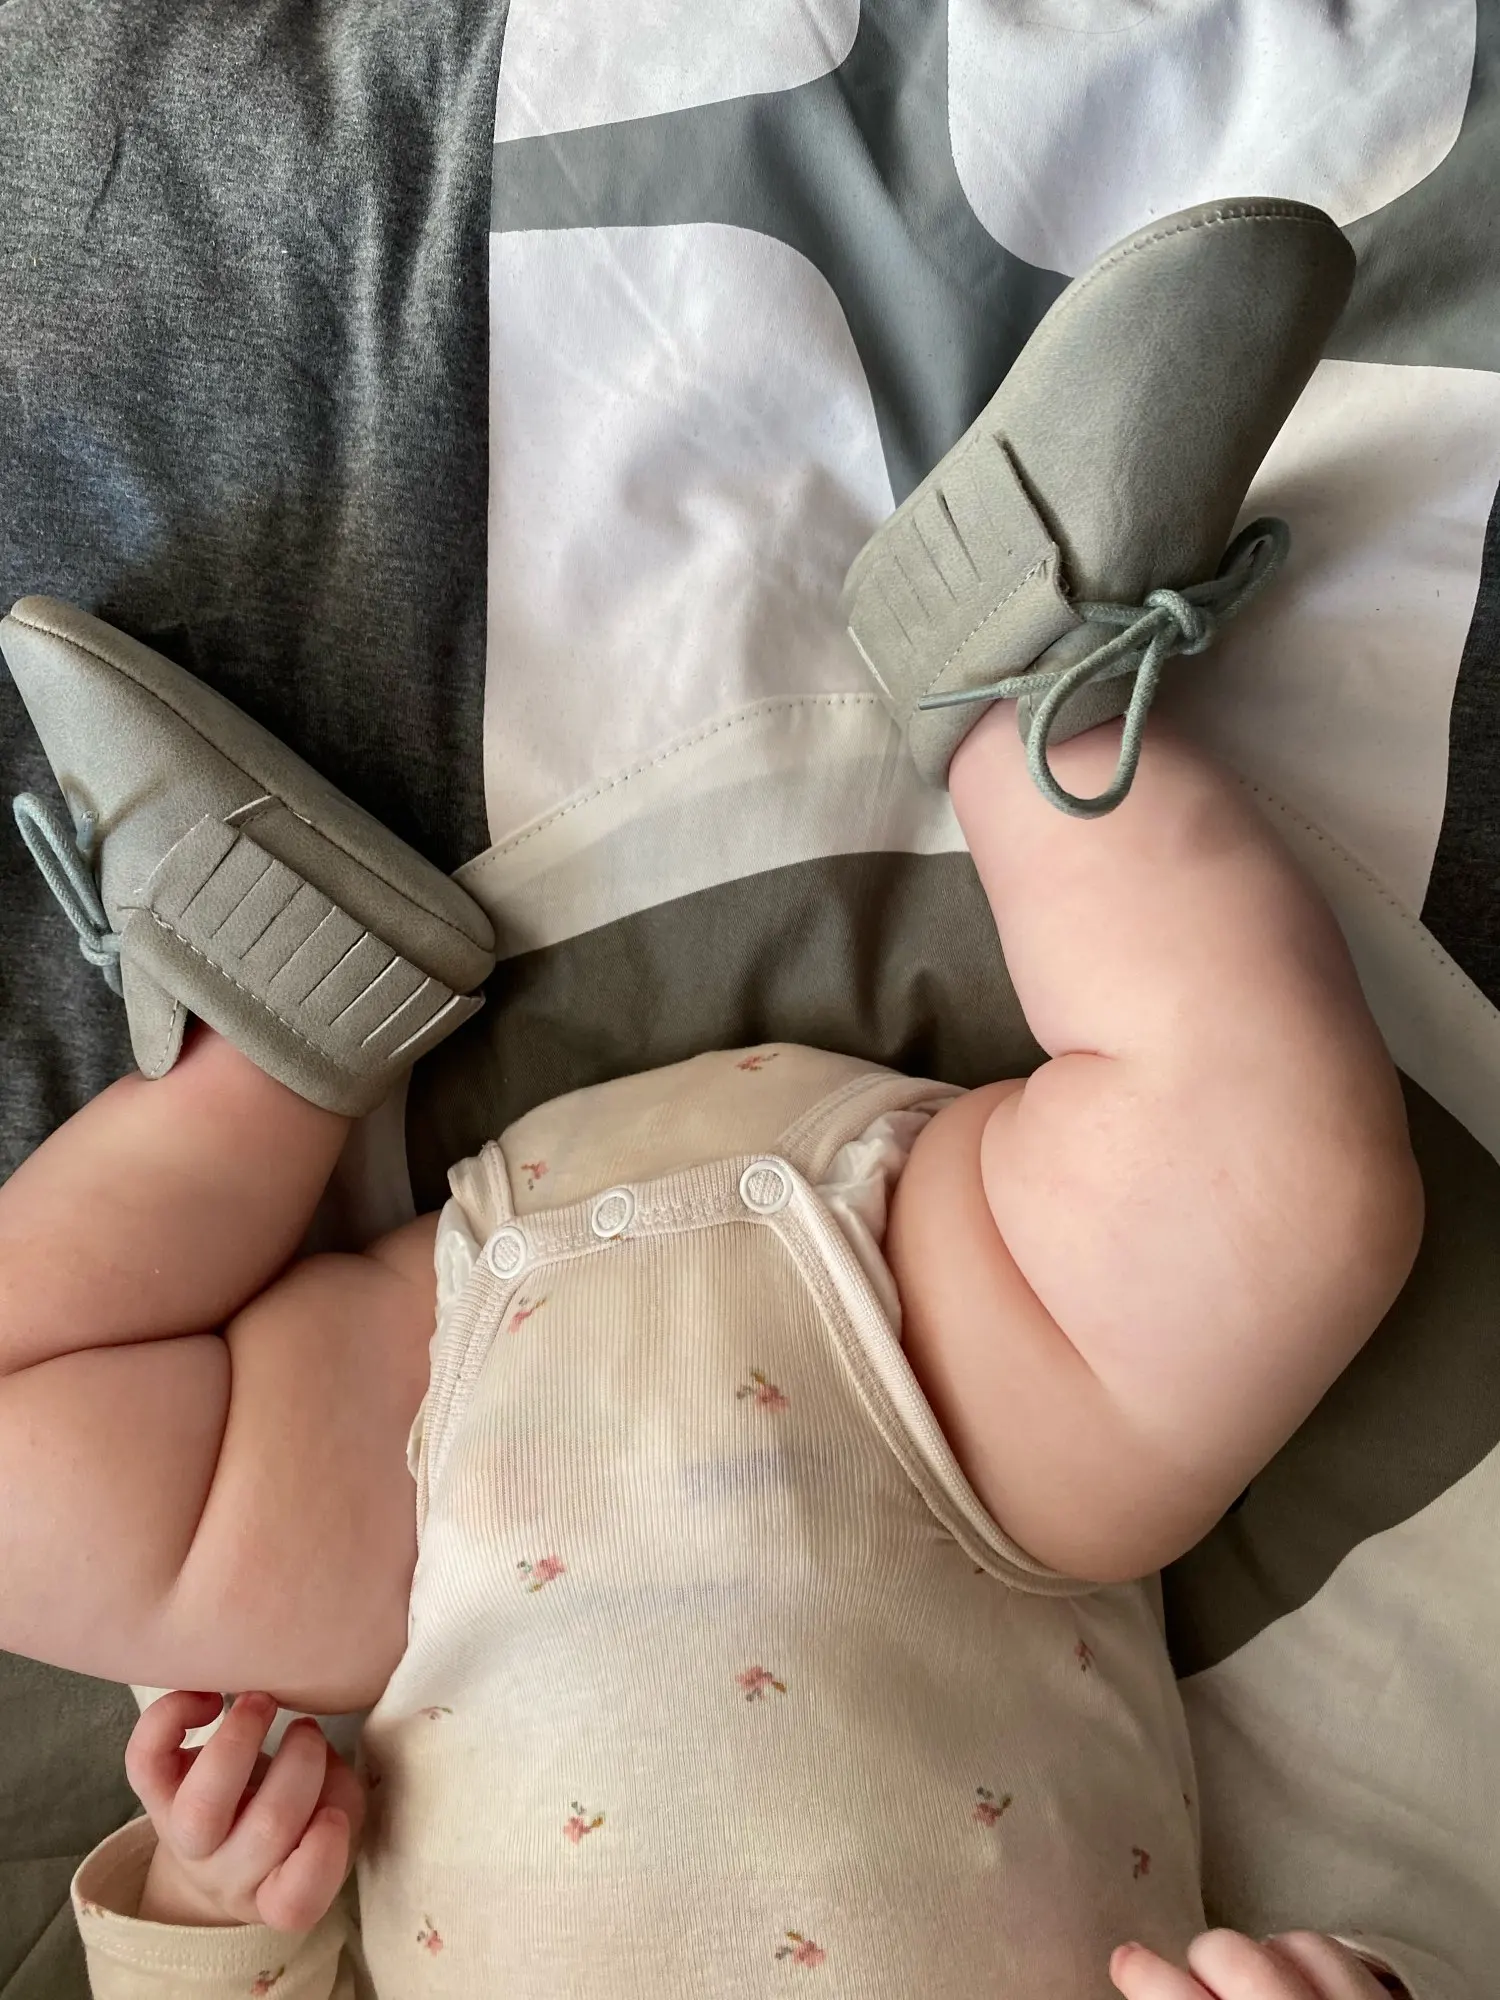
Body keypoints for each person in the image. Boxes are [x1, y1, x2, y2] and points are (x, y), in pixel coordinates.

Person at [0, 200, 1430, 1997]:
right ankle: (1020, 689)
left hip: (432, 1491)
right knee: (1292, 1196)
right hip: (951, 1407)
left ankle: (278, 1025)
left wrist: (220, 1901)